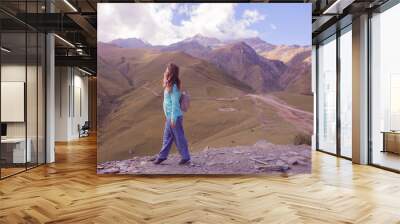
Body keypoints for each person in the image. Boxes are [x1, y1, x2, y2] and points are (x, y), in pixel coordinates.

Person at [154, 63, 191, 165]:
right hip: (170, 117)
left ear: (170, 72)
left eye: (166, 70)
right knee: (168, 138)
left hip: (174, 117)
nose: (165, 71)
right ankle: (162, 156)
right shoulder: (169, 85)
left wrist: (173, 118)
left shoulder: (173, 87)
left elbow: (175, 103)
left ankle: (185, 156)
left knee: (179, 138)